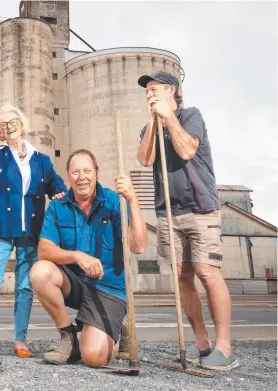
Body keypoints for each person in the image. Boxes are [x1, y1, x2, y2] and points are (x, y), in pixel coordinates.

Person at [136, 71, 238, 370]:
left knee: (207, 271)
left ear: (172, 90)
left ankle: (225, 346)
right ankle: (203, 344)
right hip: (169, 211)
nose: (150, 93)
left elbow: (186, 149)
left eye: (155, 88)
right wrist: (155, 123)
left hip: (200, 207)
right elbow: (144, 159)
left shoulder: (191, 115)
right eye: (147, 91)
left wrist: (168, 117)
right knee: (182, 275)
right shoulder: (149, 127)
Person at [0, 104, 67, 357]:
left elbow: (58, 188)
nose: (7, 127)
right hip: (0, 227)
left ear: (22, 123)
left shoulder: (41, 160)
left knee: (24, 286)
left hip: (30, 229)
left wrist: (62, 195)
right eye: (2, 124)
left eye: (11, 121)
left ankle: (20, 340)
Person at [29, 149, 147, 367]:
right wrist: (77, 256)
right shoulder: (57, 206)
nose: (81, 177)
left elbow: (138, 246)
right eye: (75, 172)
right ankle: (69, 338)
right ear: (68, 176)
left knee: (93, 357)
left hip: (108, 289)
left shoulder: (114, 201)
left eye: (87, 171)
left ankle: (116, 329)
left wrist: (132, 200)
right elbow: (44, 251)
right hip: (75, 284)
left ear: (97, 173)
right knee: (40, 271)